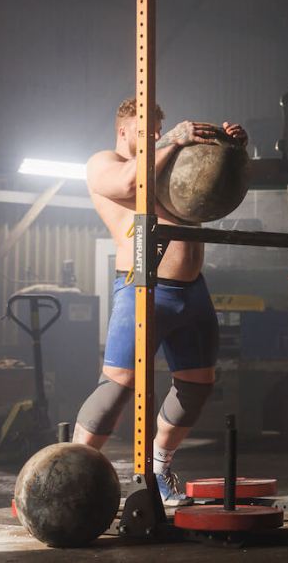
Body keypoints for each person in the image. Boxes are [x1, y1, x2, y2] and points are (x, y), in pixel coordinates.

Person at [74, 97, 247, 505]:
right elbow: (130, 185)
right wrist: (171, 141)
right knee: (117, 389)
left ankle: (159, 466)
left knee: (197, 387)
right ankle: (68, 473)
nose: (154, 137)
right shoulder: (103, 162)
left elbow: (214, 190)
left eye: (157, 130)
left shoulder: (165, 158)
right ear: (122, 130)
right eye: (145, 131)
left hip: (193, 291)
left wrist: (234, 151)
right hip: (143, 289)